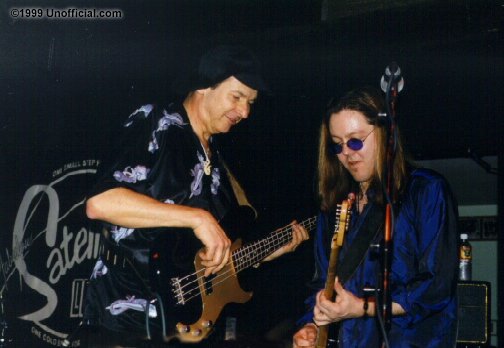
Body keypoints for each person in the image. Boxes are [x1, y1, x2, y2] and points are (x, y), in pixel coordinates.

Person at [82, 45, 309, 347]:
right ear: (205, 85)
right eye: (237, 97)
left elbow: (210, 257)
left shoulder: (216, 160)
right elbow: (101, 203)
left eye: (250, 103)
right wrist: (196, 218)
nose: (245, 112)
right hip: (125, 317)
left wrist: (262, 254)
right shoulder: (156, 123)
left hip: (184, 327)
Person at [293, 87, 458, 347]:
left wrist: (362, 307)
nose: (347, 153)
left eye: (356, 140)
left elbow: (435, 285)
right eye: (338, 144)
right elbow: (322, 282)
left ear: (384, 135)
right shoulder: (334, 205)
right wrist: (310, 325)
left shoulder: (426, 191)